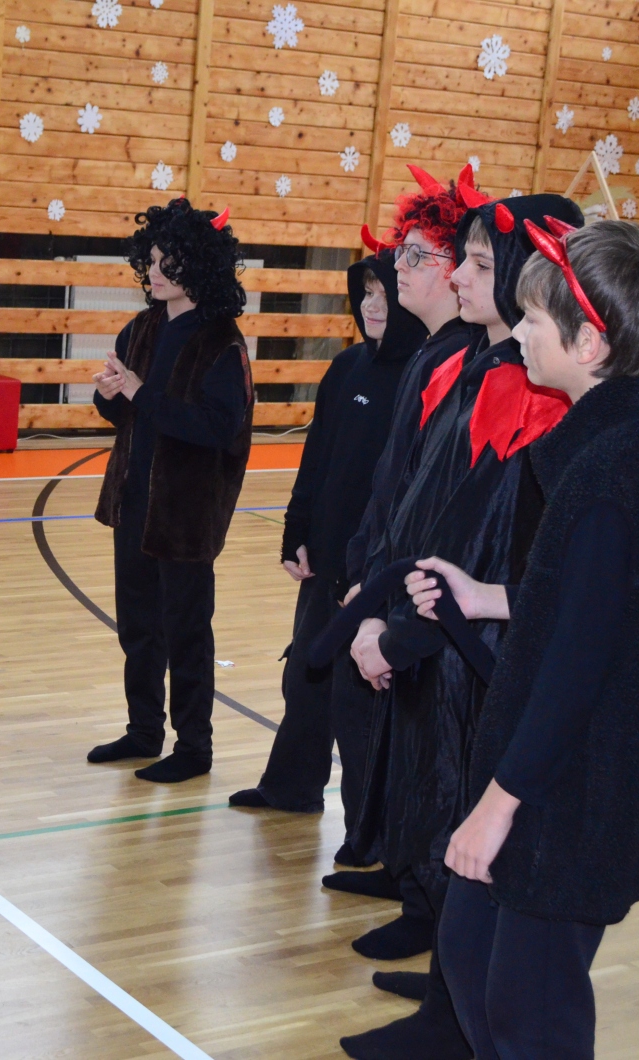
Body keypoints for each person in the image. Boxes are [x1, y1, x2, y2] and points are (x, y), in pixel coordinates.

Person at [405, 219, 639, 1060]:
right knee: (469, 954)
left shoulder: (617, 470)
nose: (522, 332)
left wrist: (495, 809)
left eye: (535, 319)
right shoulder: (610, 446)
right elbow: (588, 603)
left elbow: (579, 668)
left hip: (571, 794)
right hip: (554, 780)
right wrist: (487, 597)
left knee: (532, 1017)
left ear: (590, 344)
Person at [338, 192, 585, 1060]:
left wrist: (399, 629)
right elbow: (413, 501)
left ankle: (452, 1013)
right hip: (435, 627)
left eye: (481, 264)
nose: (461, 277)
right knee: (430, 804)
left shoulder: (527, 391)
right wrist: (379, 606)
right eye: (466, 260)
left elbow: (475, 538)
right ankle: (449, 990)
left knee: (456, 814)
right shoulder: (472, 364)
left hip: (474, 650)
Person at [318, 168, 483, 930]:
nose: (399, 268)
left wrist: (387, 593)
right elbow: (395, 483)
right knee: (392, 740)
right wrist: (366, 569)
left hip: (428, 597)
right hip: (390, 573)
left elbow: (436, 499)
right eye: (401, 254)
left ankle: (427, 903)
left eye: (418, 256)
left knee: (431, 751)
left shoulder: (463, 358)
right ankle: (400, 869)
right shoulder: (433, 351)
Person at [228, 251, 426, 843]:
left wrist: (373, 565)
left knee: (357, 700)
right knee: (305, 676)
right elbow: (317, 457)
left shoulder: (422, 375)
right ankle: (290, 787)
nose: (371, 304)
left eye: (384, 294)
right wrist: (297, 530)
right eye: (365, 293)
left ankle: (368, 835)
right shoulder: (346, 368)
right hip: (327, 553)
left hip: (376, 565)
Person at [86, 199, 253, 784]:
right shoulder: (142, 327)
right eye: (152, 260)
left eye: (168, 262)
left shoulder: (222, 344)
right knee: (137, 627)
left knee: (186, 633)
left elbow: (217, 429)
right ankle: (143, 731)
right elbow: (123, 415)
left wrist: (140, 393)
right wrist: (110, 394)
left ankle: (194, 747)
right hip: (134, 501)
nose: (154, 272)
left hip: (184, 515)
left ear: (199, 266)